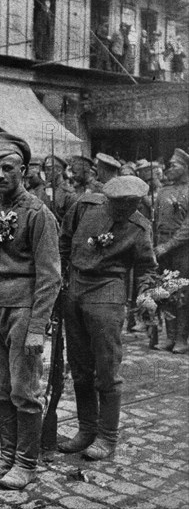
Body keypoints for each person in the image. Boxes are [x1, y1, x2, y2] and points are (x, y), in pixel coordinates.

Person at [0, 133, 61, 490]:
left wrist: (38, 326)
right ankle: (6, 457)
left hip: (23, 307)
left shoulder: (39, 213)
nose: (0, 175)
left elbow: (50, 276)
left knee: (24, 390)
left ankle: (26, 462)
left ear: (23, 170)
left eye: (7, 168)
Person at [59, 176, 157, 460]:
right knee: (79, 366)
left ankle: (107, 437)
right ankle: (86, 429)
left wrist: (145, 292)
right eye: (118, 204)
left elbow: (146, 267)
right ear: (107, 199)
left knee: (107, 367)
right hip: (75, 286)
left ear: (137, 203)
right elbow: (64, 240)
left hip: (108, 291)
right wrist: (62, 278)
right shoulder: (84, 206)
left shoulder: (140, 228)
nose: (124, 210)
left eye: (131, 205)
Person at [154, 148, 189, 354]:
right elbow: (156, 221)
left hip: (182, 249)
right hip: (161, 247)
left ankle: (182, 339)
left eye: (174, 165)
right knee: (165, 292)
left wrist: (169, 245)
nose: (169, 168)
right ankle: (170, 336)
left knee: (182, 293)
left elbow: (187, 227)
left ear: (185, 168)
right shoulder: (163, 191)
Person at [42, 155, 77, 223]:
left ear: (59, 170)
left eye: (49, 169)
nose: (46, 172)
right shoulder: (45, 190)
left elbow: (71, 223)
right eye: (45, 169)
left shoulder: (68, 194)